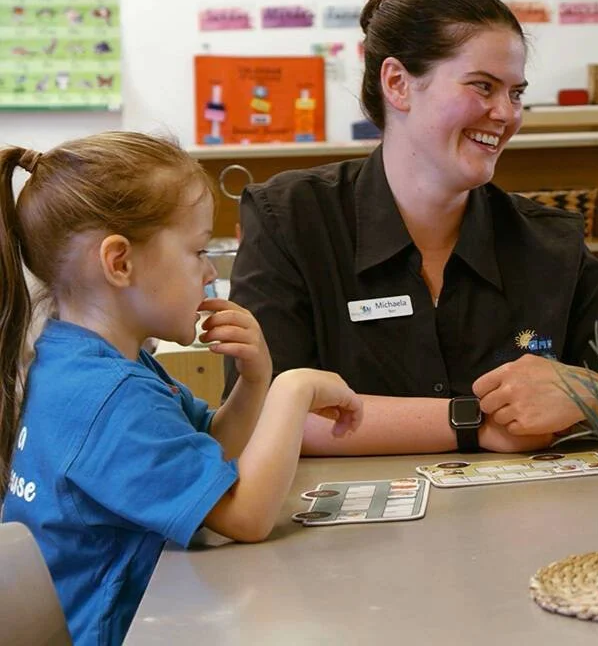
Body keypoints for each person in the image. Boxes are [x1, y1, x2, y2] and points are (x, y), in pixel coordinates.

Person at [225, 0, 598, 456]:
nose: (506, 114)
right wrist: (473, 423)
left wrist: (591, 393)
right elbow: (261, 414)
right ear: (398, 84)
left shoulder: (548, 244)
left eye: (516, 93)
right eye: (483, 86)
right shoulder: (292, 220)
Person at [0, 132, 362, 644]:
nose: (211, 271)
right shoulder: (108, 398)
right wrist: (292, 389)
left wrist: (255, 382)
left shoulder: (84, 364)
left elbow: (210, 450)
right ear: (119, 263)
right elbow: (246, 515)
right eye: (198, 251)